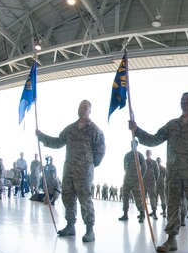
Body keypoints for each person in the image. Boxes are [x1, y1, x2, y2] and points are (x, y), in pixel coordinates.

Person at [129, 92, 188, 253]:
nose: (185, 103)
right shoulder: (171, 125)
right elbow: (154, 139)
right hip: (174, 175)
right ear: (180, 104)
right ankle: (171, 240)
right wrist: (137, 131)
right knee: (173, 207)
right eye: (183, 101)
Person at [36, 100, 106, 242]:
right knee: (67, 196)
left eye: (85, 108)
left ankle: (89, 230)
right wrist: (41, 136)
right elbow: (57, 142)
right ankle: (70, 226)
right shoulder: (70, 129)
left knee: (85, 199)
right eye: (80, 107)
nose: (82, 110)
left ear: (90, 111)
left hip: (84, 172)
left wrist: (89, 164)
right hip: (68, 170)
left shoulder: (95, 130)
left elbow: (100, 151)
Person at [118, 140, 147, 222]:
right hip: (127, 178)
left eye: (135, 144)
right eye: (132, 144)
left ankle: (142, 214)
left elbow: (144, 167)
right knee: (125, 196)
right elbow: (125, 167)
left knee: (138, 197)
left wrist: (140, 177)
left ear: (137, 145)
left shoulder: (140, 155)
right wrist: (128, 174)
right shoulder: (127, 155)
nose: (133, 145)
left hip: (136, 180)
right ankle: (125, 214)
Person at [144, 149, 160, 219]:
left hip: (151, 183)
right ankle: (142, 213)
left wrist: (154, 180)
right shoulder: (143, 162)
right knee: (142, 198)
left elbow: (157, 173)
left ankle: (154, 212)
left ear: (151, 154)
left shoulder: (154, 162)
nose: (147, 154)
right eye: (146, 153)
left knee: (152, 198)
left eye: (149, 153)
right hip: (144, 183)